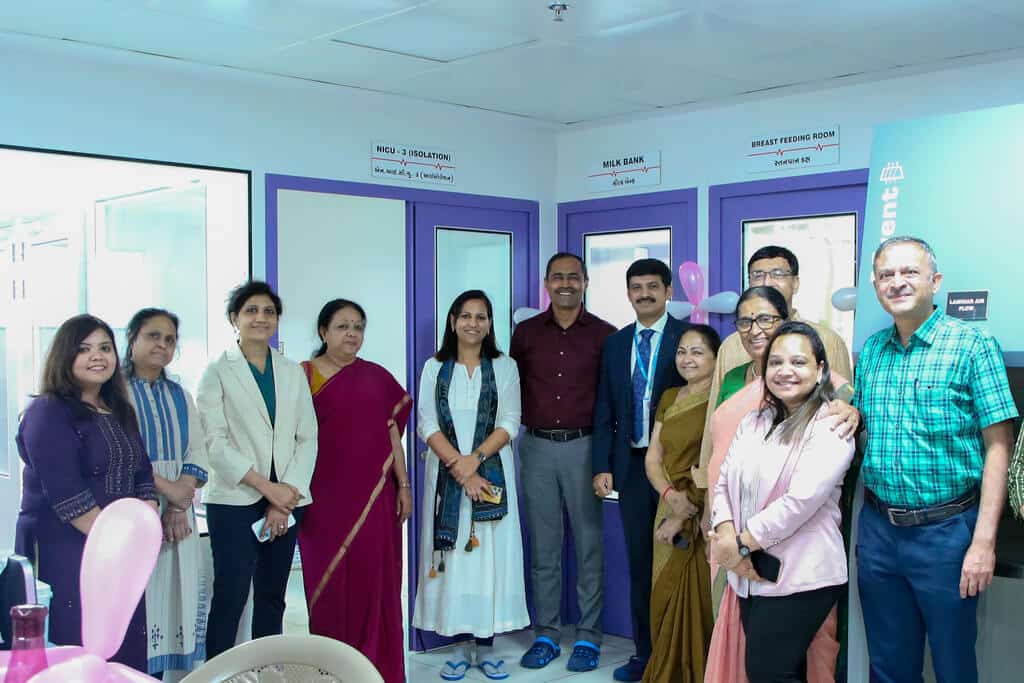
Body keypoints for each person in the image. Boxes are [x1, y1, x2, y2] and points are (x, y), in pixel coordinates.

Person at [854, 236, 1016, 683]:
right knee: (888, 666)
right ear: (875, 285)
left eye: (910, 272)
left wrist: (983, 543)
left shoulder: (972, 345)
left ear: (935, 281)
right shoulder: (872, 351)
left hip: (947, 534)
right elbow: (862, 424)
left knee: (953, 665)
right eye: (886, 275)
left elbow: (999, 446)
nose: (897, 282)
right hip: (879, 530)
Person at [702, 288, 854, 683]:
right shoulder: (755, 421)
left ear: (820, 370)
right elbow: (724, 482)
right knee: (770, 671)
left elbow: (799, 502)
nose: (786, 370)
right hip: (751, 574)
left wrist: (738, 545)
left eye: (799, 362)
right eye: (776, 362)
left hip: (803, 574)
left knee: (769, 671)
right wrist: (725, 532)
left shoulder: (831, 425)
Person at [15, 314, 158, 672]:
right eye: (84, 349)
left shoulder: (119, 409)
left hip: (117, 551)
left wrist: (142, 527)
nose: (98, 356)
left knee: (122, 642)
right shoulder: (47, 411)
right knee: (75, 649)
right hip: (64, 547)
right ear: (65, 356)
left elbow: (142, 472)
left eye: (105, 348)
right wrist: (118, 547)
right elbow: (67, 493)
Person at [196, 281, 318, 659]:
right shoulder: (217, 371)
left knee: (272, 596)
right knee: (230, 595)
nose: (261, 318)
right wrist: (269, 489)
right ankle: (218, 673)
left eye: (269, 311)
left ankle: (269, 670)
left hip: (287, 500)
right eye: (251, 310)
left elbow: (307, 437)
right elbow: (214, 442)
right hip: (235, 499)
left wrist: (284, 497)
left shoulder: (291, 371)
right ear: (234, 319)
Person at [413, 289, 528, 681]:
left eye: (481, 317)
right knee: (456, 562)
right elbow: (426, 422)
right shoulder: (434, 367)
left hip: (491, 474)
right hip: (446, 478)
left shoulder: (505, 366)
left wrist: (474, 460)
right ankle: (462, 647)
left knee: (490, 558)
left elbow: (510, 421)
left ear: (490, 324)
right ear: (453, 321)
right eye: (466, 316)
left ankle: (488, 646)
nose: (473, 323)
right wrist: (459, 467)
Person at [296, 299, 413, 683]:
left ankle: (378, 670)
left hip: (375, 498)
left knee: (373, 583)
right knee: (327, 585)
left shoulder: (377, 377)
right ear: (323, 332)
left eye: (358, 327)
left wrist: (404, 485)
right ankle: (331, 671)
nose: (351, 334)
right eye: (343, 326)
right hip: (320, 502)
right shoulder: (303, 376)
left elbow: (392, 434)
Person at [510, 253, 616, 673]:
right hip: (536, 447)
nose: (566, 283)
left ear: (585, 282)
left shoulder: (605, 334)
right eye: (558, 277)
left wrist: (606, 459)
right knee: (544, 548)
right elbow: (511, 387)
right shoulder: (526, 333)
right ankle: (547, 634)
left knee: (589, 546)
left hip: (585, 448)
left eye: (574, 277)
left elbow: (611, 402)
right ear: (547, 284)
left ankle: (588, 637)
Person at [593, 258, 690, 682]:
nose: (645, 294)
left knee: (679, 561)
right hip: (631, 468)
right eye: (637, 287)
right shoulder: (615, 344)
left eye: (653, 286)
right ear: (629, 293)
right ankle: (646, 655)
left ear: (668, 291)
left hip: (676, 468)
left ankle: (682, 656)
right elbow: (604, 407)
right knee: (640, 563)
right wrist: (602, 465)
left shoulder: (688, 339)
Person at [697, 245, 854, 491]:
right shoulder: (732, 344)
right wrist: (705, 483)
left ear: (796, 283)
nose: (767, 281)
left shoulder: (826, 340)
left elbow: (844, 409)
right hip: (730, 486)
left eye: (778, 274)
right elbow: (714, 424)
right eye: (757, 275)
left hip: (802, 486)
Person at [124, 308, 210, 678]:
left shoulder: (180, 395)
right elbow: (127, 454)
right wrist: (171, 492)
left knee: (175, 597)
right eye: (153, 336)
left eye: (170, 339)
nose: (162, 344)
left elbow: (197, 452)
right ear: (132, 340)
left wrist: (178, 503)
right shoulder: (115, 393)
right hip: (134, 506)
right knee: (137, 599)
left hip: (179, 516)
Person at [643, 324, 721, 683]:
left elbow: (715, 461)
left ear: (716, 358)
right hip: (668, 504)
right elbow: (653, 457)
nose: (687, 359)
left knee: (698, 597)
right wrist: (669, 497)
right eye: (681, 351)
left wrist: (687, 509)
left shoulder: (721, 400)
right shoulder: (671, 397)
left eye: (697, 352)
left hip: (703, 510)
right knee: (663, 591)